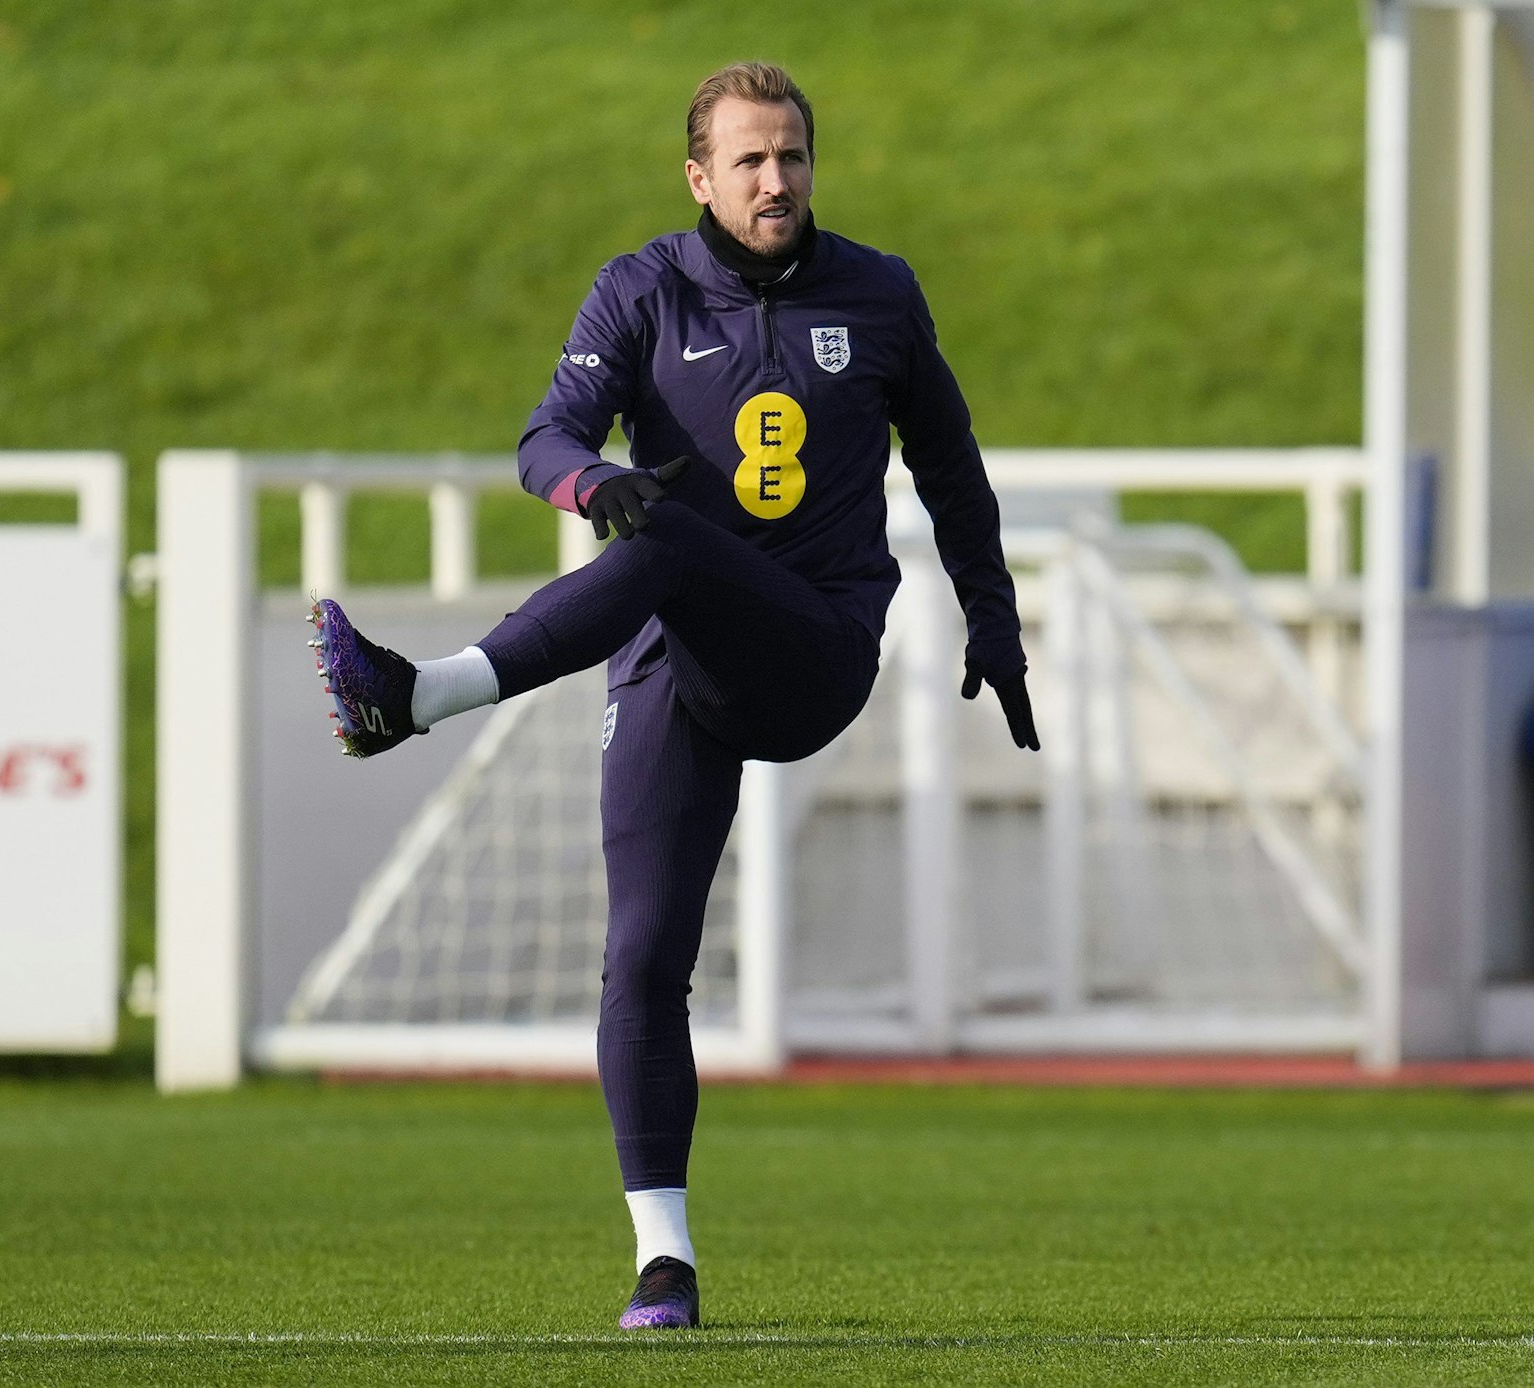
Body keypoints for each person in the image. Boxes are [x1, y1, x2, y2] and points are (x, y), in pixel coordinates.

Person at [309, 60, 1038, 1331]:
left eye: (794, 156)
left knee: (663, 542)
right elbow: (546, 439)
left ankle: (416, 699)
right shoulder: (641, 288)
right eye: (750, 159)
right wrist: (591, 485)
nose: (777, 179)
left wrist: (996, 616)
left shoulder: (879, 291)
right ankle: (665, 1265)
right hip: (672, 655)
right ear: (699, 176)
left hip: (811, 648)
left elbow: (953, 466)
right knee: (643, 953)